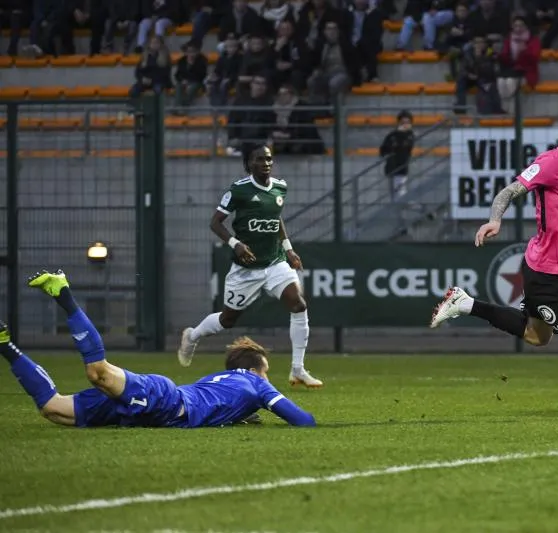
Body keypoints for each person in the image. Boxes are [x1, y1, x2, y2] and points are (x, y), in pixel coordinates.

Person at [429, 105, 558, 422]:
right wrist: (494, 220)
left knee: (537, 336)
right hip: (550, 273)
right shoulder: (550, 164)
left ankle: (465, 304)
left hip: (552, 268)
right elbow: (508, 191)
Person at [0, 269, 315, 429]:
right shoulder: (255, 382)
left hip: (147, 409)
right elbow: (302, 420)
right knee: (98, 373)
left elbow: (220, 407)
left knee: (53, 409)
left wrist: (242, 416)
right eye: (266, 371)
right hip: (162, 400)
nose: (266, 377)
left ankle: (6, 345)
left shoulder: (222, 381)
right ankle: (63, 292)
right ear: (254, 368)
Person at [178, 144, 323, 389]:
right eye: (259, 159)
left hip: (275, 262)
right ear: (249, 164)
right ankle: (192, 336)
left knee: (298, 304)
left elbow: (276, 218)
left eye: (268, 159)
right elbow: (215, 223)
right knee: (227, 320)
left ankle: (297, 369)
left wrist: (288, 249)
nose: (265, 163)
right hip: (246, 269)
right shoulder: (239, 190)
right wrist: (235, 244)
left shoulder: (280, 187)